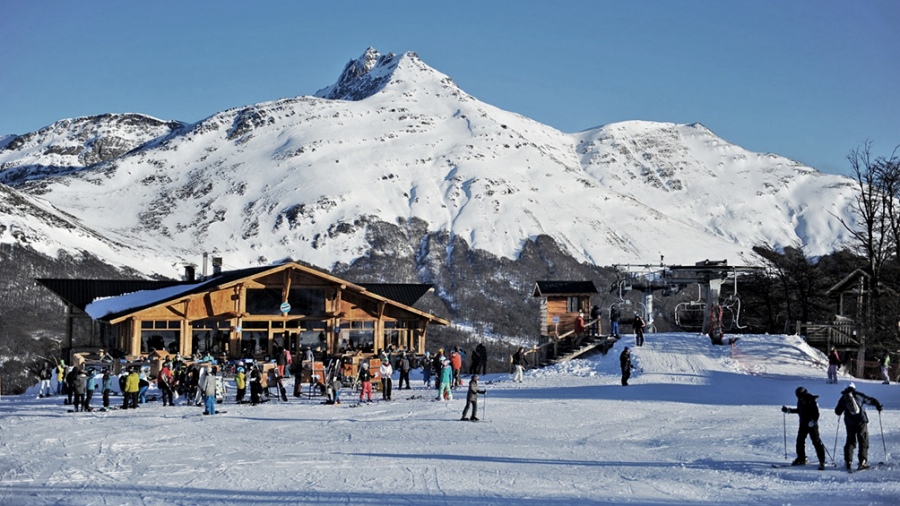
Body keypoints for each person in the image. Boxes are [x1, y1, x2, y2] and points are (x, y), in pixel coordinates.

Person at [834, 383, 883, 471]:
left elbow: (837, 411)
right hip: (861, 421)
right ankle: (862, 462)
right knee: (863, 440)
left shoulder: (843, 398)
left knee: (850, 441)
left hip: (850, 423)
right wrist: (878, 406)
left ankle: (848, 462)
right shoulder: (859, 395)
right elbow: (870, 400)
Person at [781, 386, 827, 469]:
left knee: (816, 441)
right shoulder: (801, 399)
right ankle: (801, 458)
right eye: (798, 396)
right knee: (800, 441)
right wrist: (789, 410)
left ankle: (822, 461)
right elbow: (800, 410)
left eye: (799, 395)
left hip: (811, 424)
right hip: (803, 424)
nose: (799, 397)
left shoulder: (810, 399)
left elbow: (816, 413)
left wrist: (813, 421)